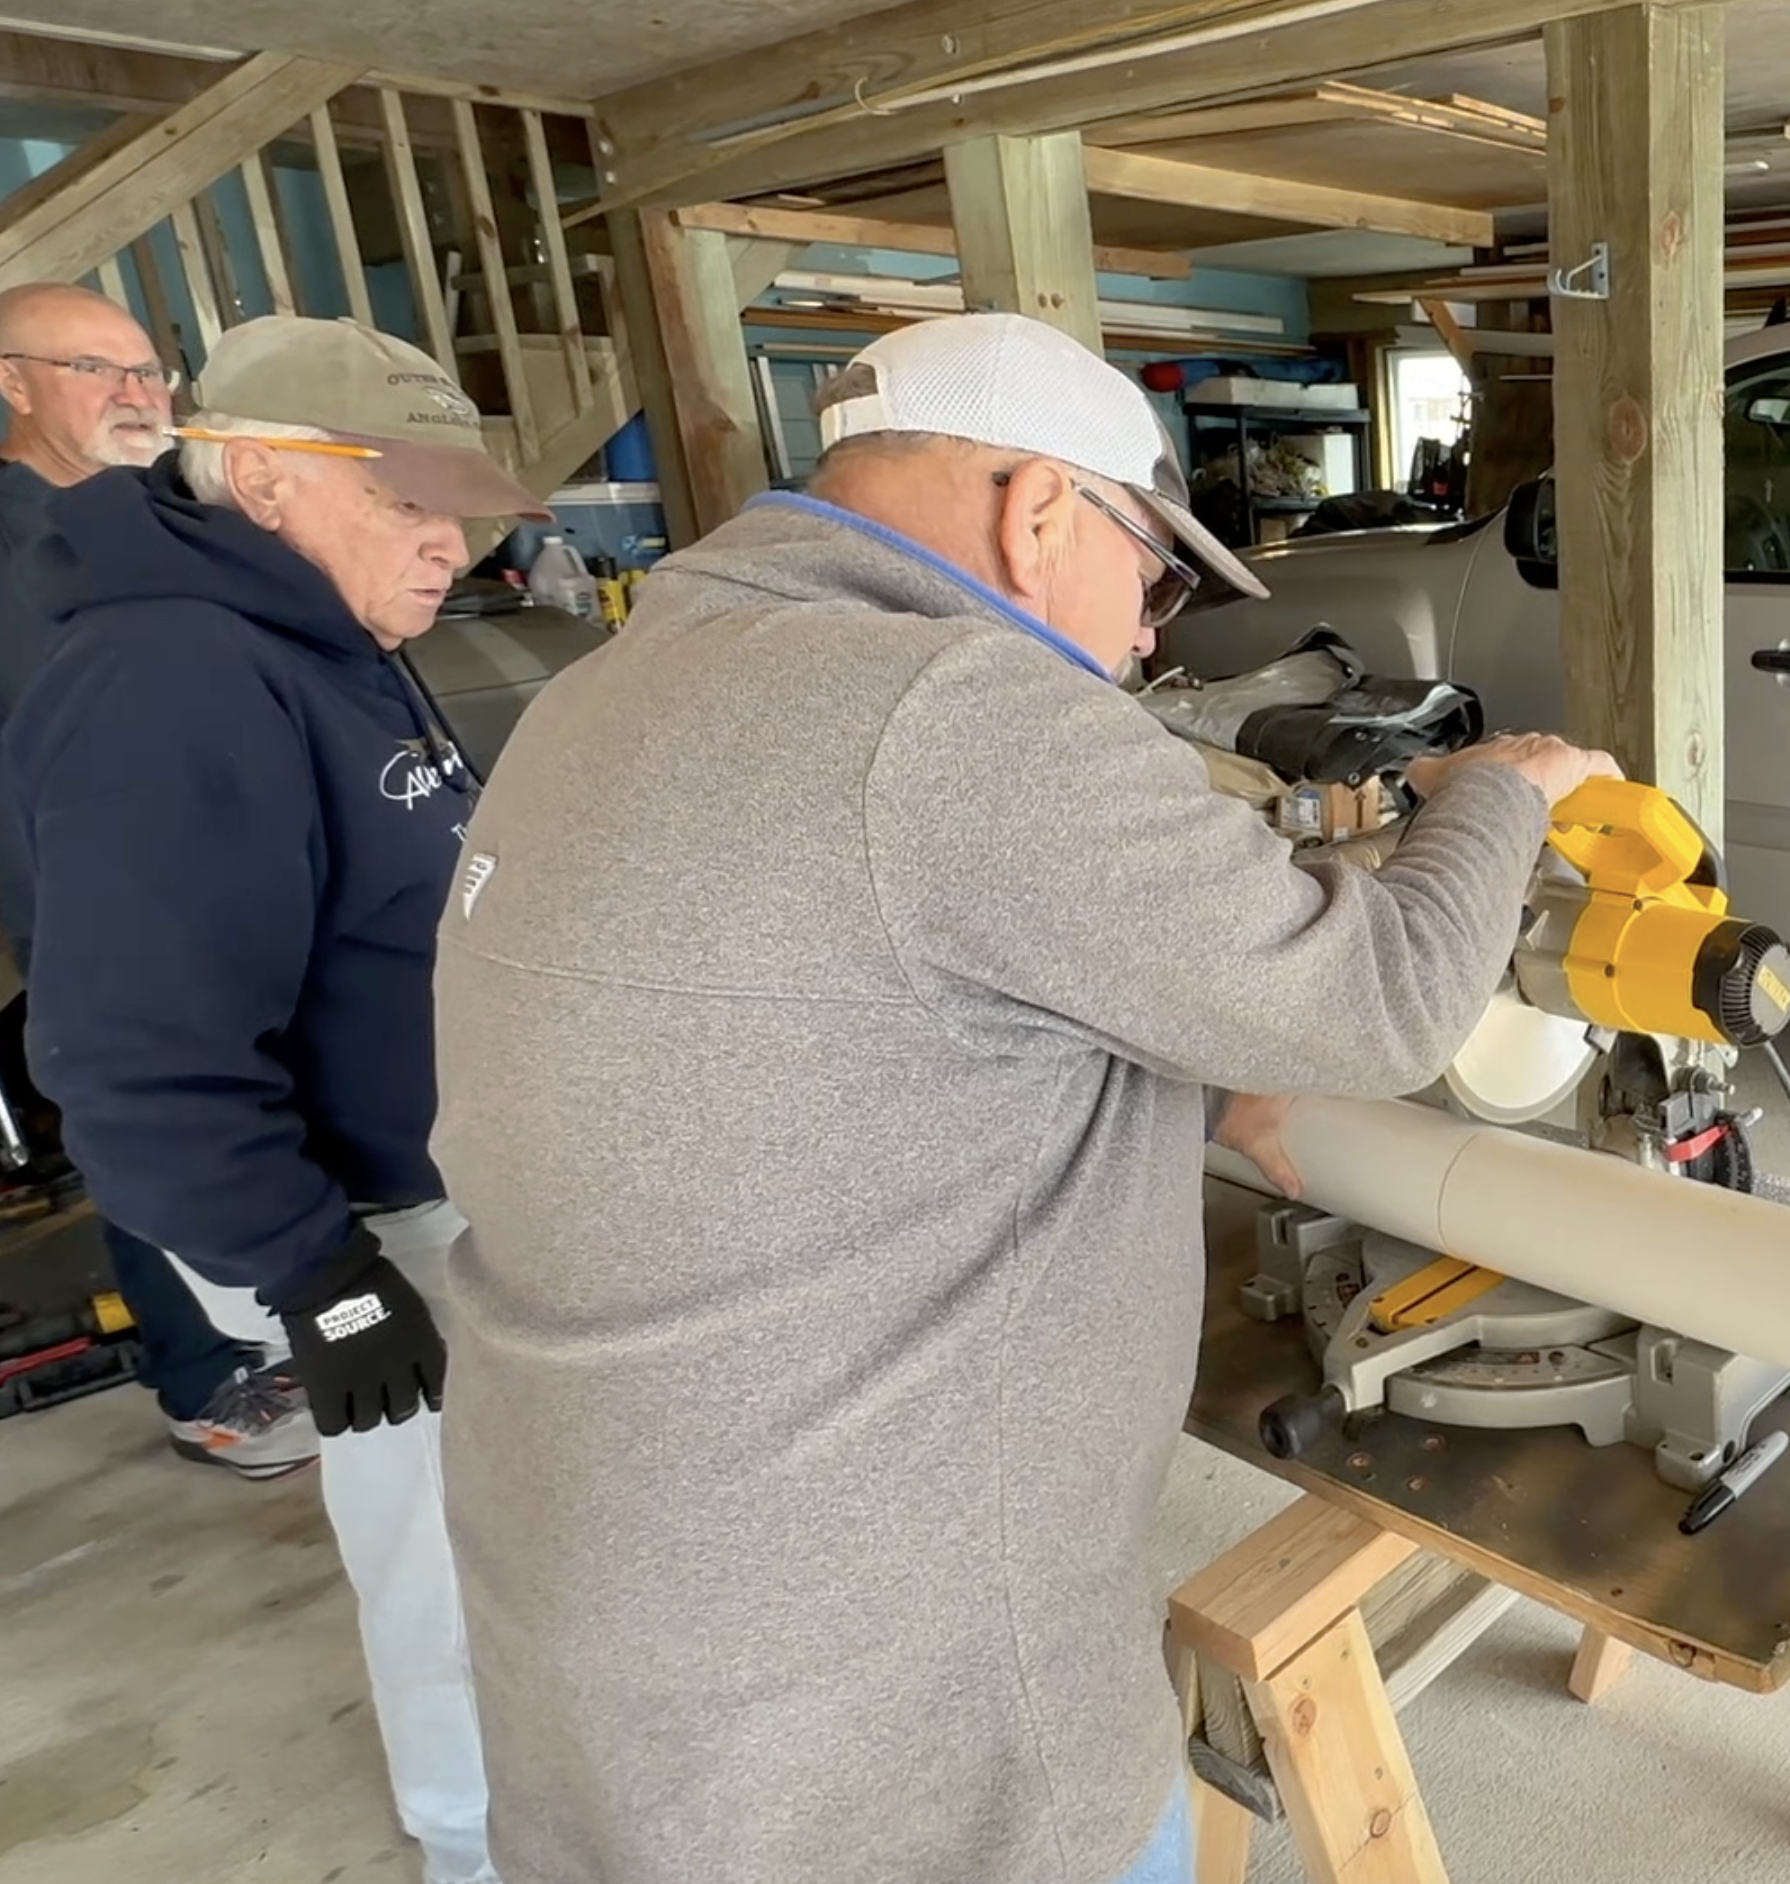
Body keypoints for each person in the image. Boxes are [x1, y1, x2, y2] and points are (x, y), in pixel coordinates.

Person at [428, 311, 1611, 1884]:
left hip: (603, 1603)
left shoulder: (602, 689)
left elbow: (838, 1048)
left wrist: (1170, 1095)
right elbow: (1381, 1002)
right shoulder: (957, 710)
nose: (1145, 637)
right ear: (1038, 510)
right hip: (887, 1693)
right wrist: (1495, 801)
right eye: (1159, 574)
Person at [0, 312, 545, 1884]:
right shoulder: (170, 677)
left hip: (443, 1184)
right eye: (405, 502)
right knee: (452, 1566)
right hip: (367, 1228)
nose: (449, 544)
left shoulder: (329, 646)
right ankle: (483, 1849)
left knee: (520, 1550)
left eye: (458, 510)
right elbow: (131, 1046)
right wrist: (314, 1274)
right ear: (258, 479)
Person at [0, 281, 314, 1478]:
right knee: (151, 1105)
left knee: (242, 1094)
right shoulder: (23, 545)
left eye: (146, 373)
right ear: (14, 382)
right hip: (101, 893)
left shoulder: (153, 514)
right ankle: (208, 1383)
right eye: (94, 370)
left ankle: (270, 1324)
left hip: (216, 867)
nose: (134, 396)